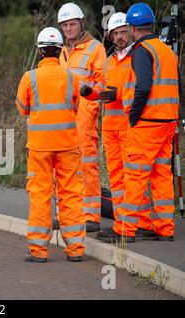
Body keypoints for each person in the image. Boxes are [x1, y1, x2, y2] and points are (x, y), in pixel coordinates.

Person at [97, 3, 179, 243]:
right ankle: (164, 227)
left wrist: (133, 115)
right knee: (161, 173)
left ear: (132, 27)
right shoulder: (165, 51)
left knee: (134, 175)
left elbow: (143, 86)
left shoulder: (142, 51)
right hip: (168, 120)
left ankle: (125, 228)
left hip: (148, 121)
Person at [16, 27, 86, 263]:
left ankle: (38, 250)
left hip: (39, 148)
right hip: (68, 145)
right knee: (71, 194)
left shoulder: (29, 77)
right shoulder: (71, 77)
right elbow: (75, 107)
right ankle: (75, 248)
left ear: (39, 51)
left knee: (40, 195)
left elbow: (22, 108)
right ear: (59, 51)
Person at [81, 12, 151, 236]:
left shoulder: (137, 58)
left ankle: (142, 222)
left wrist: (117, 94)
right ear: (110, 36)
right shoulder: (111, 61)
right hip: (110, 127)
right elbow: (104, 88)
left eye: (123, 32)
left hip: (130, 126)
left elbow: (139, 90)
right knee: (117, 178)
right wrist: (91, 94)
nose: (120, 37)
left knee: (135, 176)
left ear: (130, 31)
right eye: (115, 33)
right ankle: (122, 222)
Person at [58, 3, 107, 232]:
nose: (69, 28)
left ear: (81, 23)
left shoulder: (95, 48)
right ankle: (68, 215)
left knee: (87, 166)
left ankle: (90, 216)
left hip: (85, 118)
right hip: (63, 119)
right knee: (65, 169)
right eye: (65, 25)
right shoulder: (61, 51)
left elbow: (102, 83)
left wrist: (89, 102)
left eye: (72, 24)